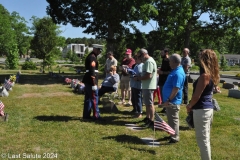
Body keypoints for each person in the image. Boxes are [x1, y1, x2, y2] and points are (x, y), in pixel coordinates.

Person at [186, 49, 219, 160]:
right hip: (207, 109)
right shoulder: (211, 74)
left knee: (202, 140)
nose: (198, 58)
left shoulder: (205, 76)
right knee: (205, 139)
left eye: (200, 56)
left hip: (202, 110)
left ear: (204, 59)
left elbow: (196, 96)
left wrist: (189, 105)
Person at [162, 54, 185, 144]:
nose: (169, 63)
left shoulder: (178, 73)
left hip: (173, 101)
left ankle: (175, 137)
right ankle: (172, 134)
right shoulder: (175, 70)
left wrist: (169, 99)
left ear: (175, 62)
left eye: (170, 61)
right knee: (170, 119)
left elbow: (176, 88)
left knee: (174, 119)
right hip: (170, 100)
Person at [134, 48, 157, 127]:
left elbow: (148, 75)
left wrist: (138, 78)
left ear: (144, 54)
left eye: (140, 56)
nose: (140, 59)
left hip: (149, 86)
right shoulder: (147, 62)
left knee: (150, 104)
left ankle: (151, 120)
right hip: (146, 85)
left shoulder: (149, 62)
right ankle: (148, 118)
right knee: (147, 103)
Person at [82, 44, 103, 120]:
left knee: (88, 98)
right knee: (94, 98)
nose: (100, 52)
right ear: (95, 49)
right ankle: (96, 116)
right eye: (99, 50)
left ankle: (86, 115)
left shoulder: (91, 56)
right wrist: (94, 83)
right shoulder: (92, 58)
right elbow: (92, 72)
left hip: (88, 80)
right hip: (91, 81)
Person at [158, 49, 172, 113]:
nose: (161, 54)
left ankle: (167, 109)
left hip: (166, 80)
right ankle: (164, 108)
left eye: (162, 53)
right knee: (162, 94)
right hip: (161, 80)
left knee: (166, 94)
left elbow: (170, 71)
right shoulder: (164, 60)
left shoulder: (170, 61)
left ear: (166, 53)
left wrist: (162, 72)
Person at [130, 53, 143, 118]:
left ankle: (139, 112)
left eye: (136, 58)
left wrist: (135, 75)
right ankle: (136, 111)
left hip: (138, 85)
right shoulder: (136, 65)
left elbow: (140, 74)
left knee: (138, 99)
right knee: (135, 99)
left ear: (140, 59)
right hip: (134, 84)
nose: (135, 60)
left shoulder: (141, 66)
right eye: (135, 58)